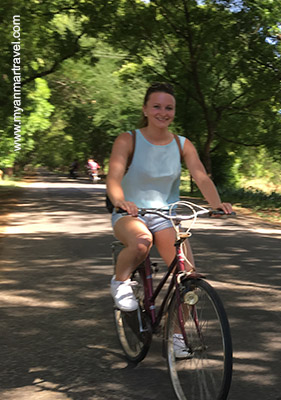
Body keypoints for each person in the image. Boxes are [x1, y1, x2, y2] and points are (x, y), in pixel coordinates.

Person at [106, 82, 233, 355]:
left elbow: (200, 176)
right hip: (131, 213)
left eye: (169, 108)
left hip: (165, 216)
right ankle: (120, 282)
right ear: (145, 109)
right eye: (156, 106)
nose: (163, 112)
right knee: (141, 242)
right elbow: (114, 178)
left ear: (174, 111)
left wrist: (215, 204)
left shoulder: (181, 144)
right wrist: (121, 200)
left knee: (188, 277)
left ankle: (177, 337)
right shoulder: (128, 139)